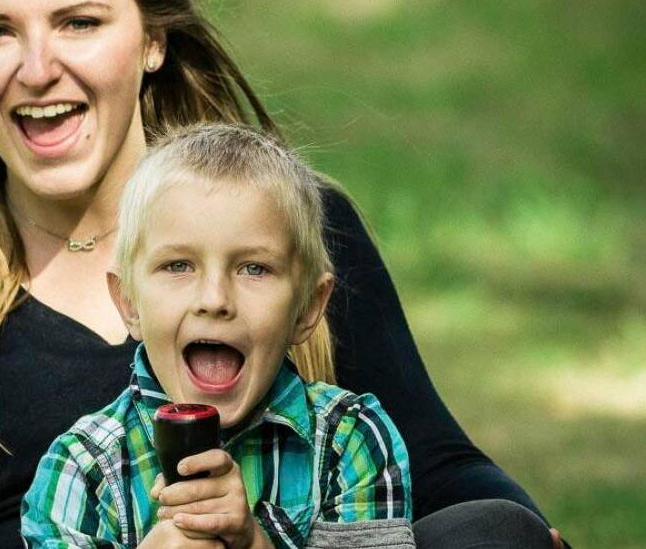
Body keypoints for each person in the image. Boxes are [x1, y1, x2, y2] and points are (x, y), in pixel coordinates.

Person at [0, 0, 562, 547]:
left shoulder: (295, 227)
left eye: (79, 21)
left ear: (151, 39)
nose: (38, 67)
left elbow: (437, 464)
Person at [22, 124, 414, 548]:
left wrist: (252, 543)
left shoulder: (350, 443)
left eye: (254, 268)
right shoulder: (81, 471)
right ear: (129, 302)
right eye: (178, 266)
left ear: (307, 308)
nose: (214, 299)